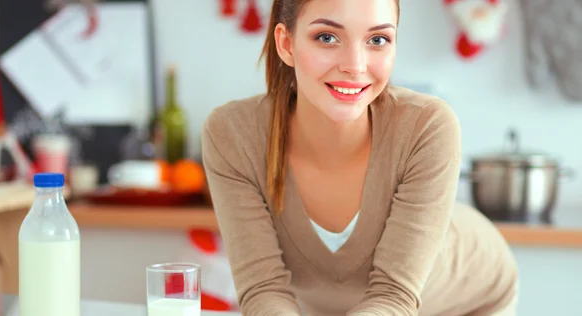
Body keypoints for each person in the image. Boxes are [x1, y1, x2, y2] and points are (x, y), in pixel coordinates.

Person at [201, 0, 519, 315]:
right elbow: (263, 289)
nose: (355, 65)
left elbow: (394, 296)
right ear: (286, 44)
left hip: (469, 298)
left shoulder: (427, 127)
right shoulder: (233, 135)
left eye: (377, 40)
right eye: (327, 37)